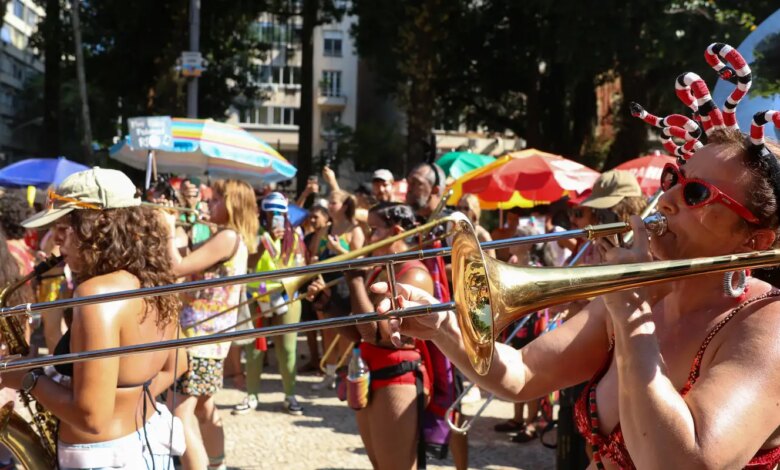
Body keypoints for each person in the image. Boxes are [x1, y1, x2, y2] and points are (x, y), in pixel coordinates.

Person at [378, 60, 780, 468]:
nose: (670, 198)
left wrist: (631, 315)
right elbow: (521, 373)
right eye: (673, 178)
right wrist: (442, 326)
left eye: (696, 193)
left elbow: (685, 462)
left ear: (756, 241)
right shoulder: (643, 298)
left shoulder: (767, 324)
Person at [8, 168, 185, 468]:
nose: (57, 244)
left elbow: (91, 419)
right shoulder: (154, 279)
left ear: (97, 226)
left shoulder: (97, 294)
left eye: (64, 230)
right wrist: (126, 403)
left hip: (101, 458)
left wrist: (26, 377)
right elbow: (177, 365)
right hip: (146, 446)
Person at [311, 202, 434, 469]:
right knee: (380, 464)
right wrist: (326, 304)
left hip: (398, 375)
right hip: (372, 371)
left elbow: (381, 336)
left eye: (374, 230)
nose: (367, 239)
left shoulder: (413, 274)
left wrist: (355, 281)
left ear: (396, 231)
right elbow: (358, 332)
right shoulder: (380, 268)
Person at [164, 179, 258, 470]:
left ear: (231, 205)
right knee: (204, 409)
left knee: (177, 414)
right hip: (210, 339)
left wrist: (167, 230)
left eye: (215, 200)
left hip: (197, 338)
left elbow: (177, 266)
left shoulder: (228, 237)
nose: (208, 204)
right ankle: (217, 465)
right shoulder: (231, 236)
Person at [233, 192, 306, 416]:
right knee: (254, 349)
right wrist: (264, 245)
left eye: (279, 213)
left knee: (287, 348)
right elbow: (248, 262)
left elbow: (302, 264)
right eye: (271, 212)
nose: (275, 217)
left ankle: (290, 395)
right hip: (257, 297)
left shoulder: (294, 235)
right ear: (263, 213)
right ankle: (252, 395)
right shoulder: (253, 234)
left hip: (286, 296)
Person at [310, 189, 365, 390]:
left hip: (344, 287)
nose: (329, 206)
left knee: (345, 334)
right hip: (326, 286)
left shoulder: (354, 229)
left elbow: (359, 260)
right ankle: (330, 373)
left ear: (344, 206)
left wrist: (339, 250)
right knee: (327, 333)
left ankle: (343, 375)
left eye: (333, 203)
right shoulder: (326, 229)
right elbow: (315, 253)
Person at [456, 193, 495, 258]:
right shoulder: (457, 232)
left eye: (466, 208)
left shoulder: (483, 235)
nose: (462, 211)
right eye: (459, 208)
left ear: (474, 212)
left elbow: (492, 266)